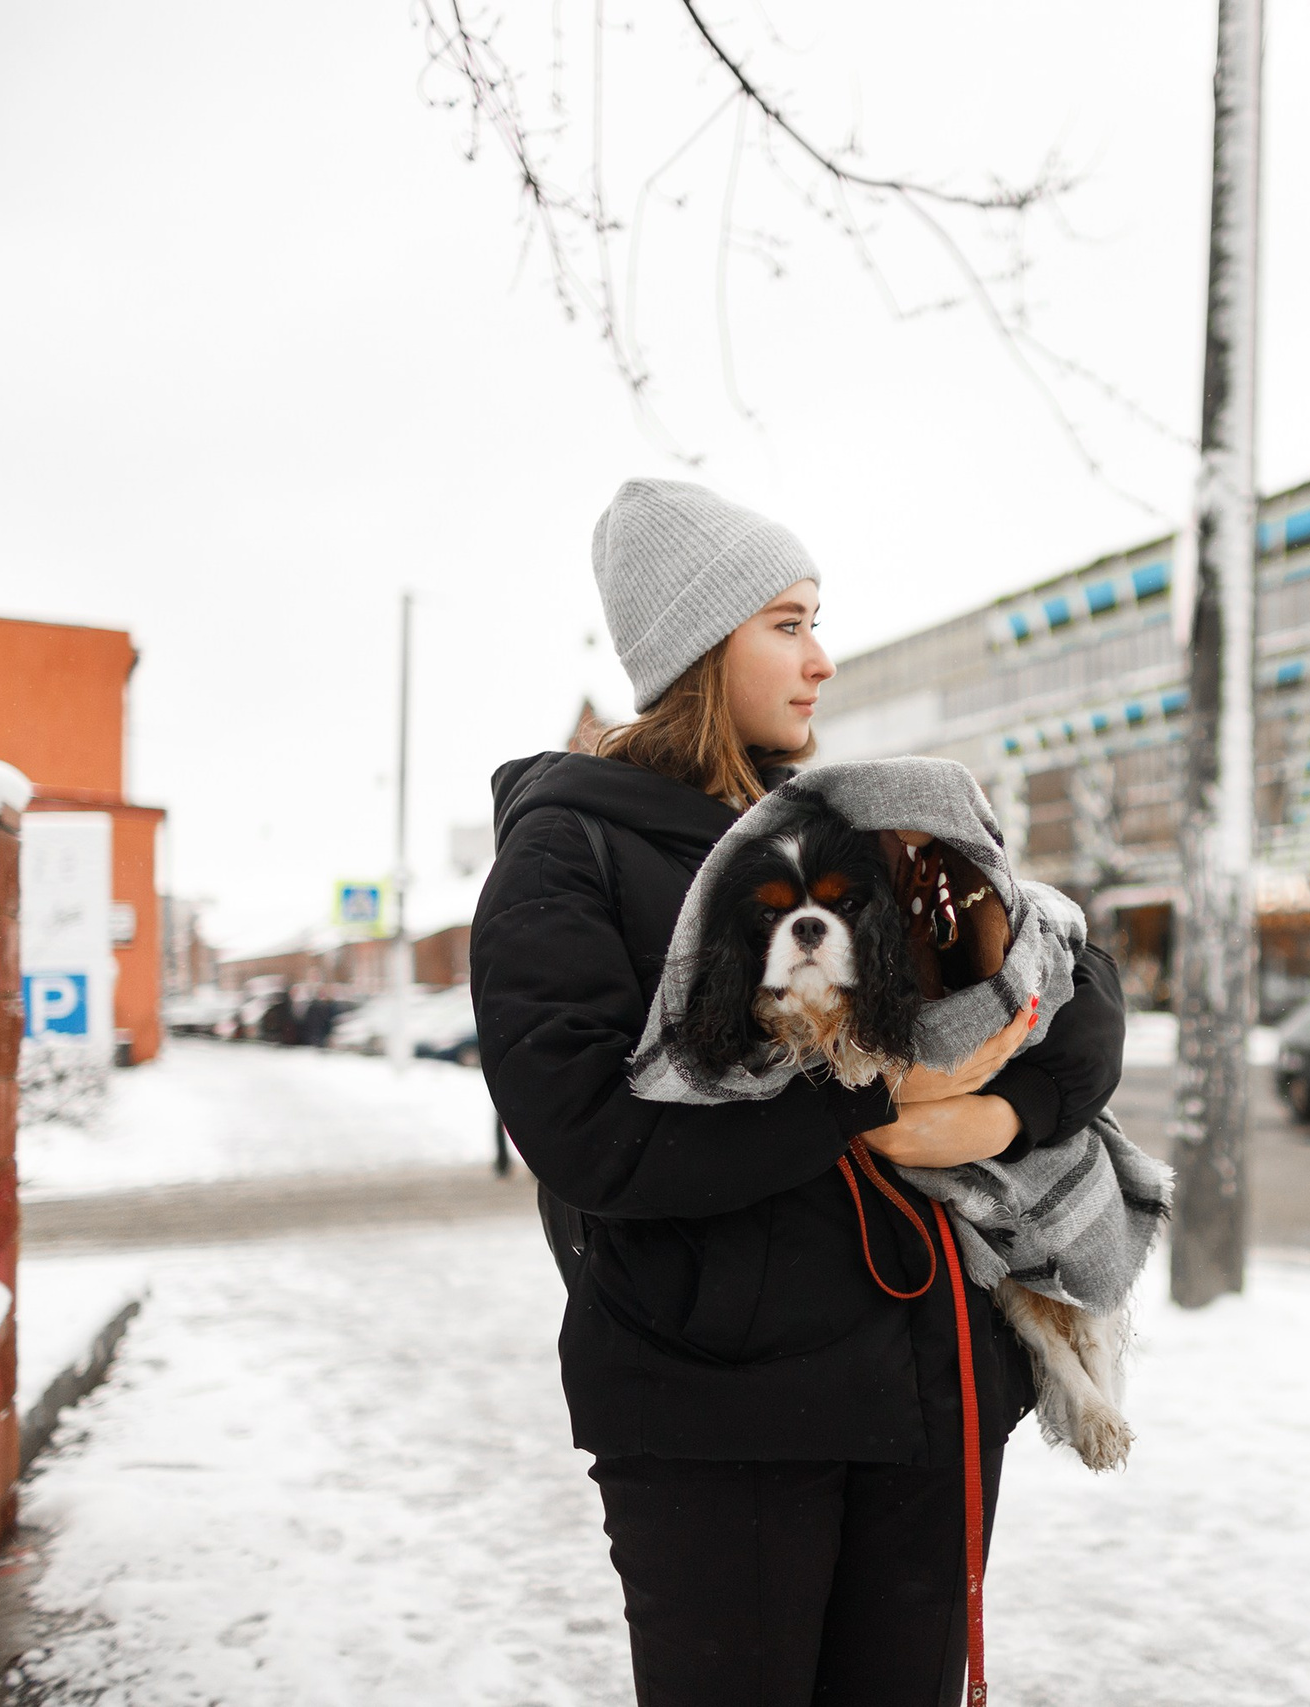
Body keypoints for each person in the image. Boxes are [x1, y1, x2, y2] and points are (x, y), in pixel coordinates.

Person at [470, 479, 1126, 1707]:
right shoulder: (573, 848)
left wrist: (993, 1115)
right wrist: (865, 1104)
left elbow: (1074, 998)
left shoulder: (845, 826)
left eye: (817, 620)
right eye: (787, 622)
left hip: (931, 1391)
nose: (821, 660)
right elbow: (588, 1138)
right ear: (694, 645)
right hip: (723, 1418)